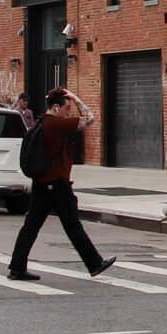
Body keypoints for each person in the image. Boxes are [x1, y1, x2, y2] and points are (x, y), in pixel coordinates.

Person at [8, 87, 115, 281]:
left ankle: (17, 267)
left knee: (31, 227)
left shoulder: (41, 123)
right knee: (72, 225)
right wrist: (76, 98)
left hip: (41, 184)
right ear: (56, 107)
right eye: (67, 108)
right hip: (57, 185)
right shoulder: (57, 125)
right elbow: (90, 119)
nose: (69, 112)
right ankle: (94, 263)